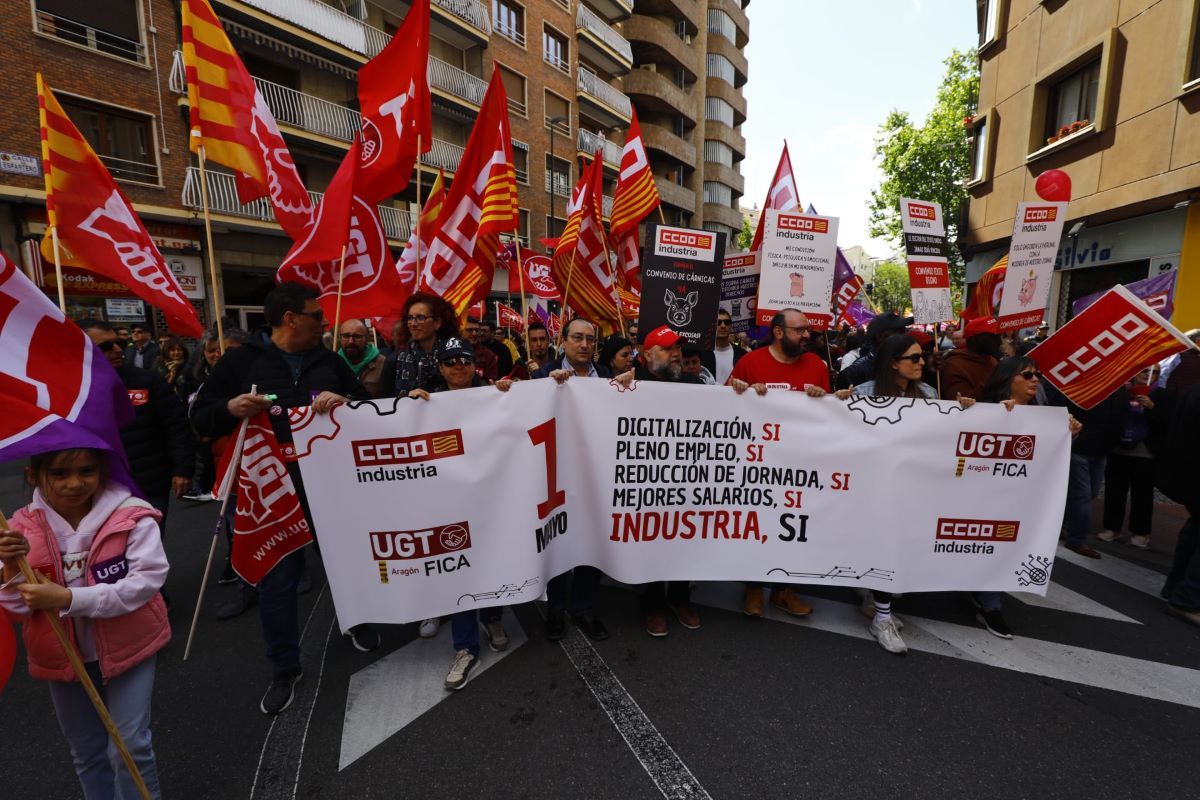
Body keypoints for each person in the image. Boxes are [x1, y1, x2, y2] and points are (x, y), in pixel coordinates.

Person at [191, 282, 377, 715]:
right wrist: (231, 408)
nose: (324, 324)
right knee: (278, 579)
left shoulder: (329, 360)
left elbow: (367, 407)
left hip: (330, 485)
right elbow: (200, 417)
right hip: (271, 489)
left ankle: (359, 622)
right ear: (291, 318)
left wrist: (346, 399)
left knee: (347, 561)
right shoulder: (240, 361)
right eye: (317, 316)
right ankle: (284, 667)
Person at [0, 447, 169, 799]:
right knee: (87, 751)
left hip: (130, 647)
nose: (75, 483)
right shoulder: (17, 530)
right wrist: (13, 570)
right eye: (60, 474)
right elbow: (15, 609)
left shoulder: (131, 517)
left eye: (87, 471)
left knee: (130, 747)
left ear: (103, 470)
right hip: (60, 657)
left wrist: (68, 599)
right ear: (34, 475)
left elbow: (146, 583)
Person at [408, 337, 515, 688]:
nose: (458, 366)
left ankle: (493, 618)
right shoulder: (425, 402)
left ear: (475, 364)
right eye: (450, 360)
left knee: (494, 560)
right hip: (449, 500)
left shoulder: (494, 394)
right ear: (440, 367)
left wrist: (508, 395)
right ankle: (465, 647)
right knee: (462, 568)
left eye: (464, 360)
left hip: (491, 496)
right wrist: (407, 406)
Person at [725, 309, 832, 620]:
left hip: (801, 464)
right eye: (800, 330)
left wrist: (821, 397)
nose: (807, 336)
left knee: (793, 528)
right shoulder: (750, 362)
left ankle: (784, 590)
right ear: (779, 332)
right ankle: (755, 587)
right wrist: (741, 393)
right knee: (758, 527)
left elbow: (829, 414)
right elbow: (724, 408)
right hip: (758, 464)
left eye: (808, 330)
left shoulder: (816, 365)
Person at [965, 357, 1082, 637]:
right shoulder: (986, 411)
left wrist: (1069, 435)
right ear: (1007, 380)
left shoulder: (1046, 418)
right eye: (1027, 374)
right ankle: (981, 596)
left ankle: (990, 604)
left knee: (1004, 545)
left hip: (1022, 500)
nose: (1035, 379)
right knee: (978, 544)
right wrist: (969, 411)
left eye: (1037, 374)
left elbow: (1050, 456)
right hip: (982, 497)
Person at [849, 335, 939, 654]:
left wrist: (964, 411)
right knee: (884, 546)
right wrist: (833, 402)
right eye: (913, 358)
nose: (921, 362)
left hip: (912, 488)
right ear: (892, 363)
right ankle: (882, 617)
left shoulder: (929, 394)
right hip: (873, 487)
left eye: (922, 357)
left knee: (899, 548)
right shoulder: (862, 394)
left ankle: (876, 603)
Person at [79, 320, 194, 535]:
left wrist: (182, 470)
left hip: (148, 483)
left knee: (148, 551)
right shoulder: (71, 389)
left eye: (120, 343)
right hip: (95, 488)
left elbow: (176, 426)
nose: (117, 350)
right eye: (105, 347)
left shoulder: (148, 381)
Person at [632, 326, 706, 636]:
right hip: (646, 480)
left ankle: (679, 598)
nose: (675, 353)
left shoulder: (693, 383)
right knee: (651, 538)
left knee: (681, 537)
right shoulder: (630, 384)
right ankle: (652, 605)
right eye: (666, 349)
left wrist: (741, 391)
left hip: (684, 478)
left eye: (678, 348)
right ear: (647, 356)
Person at [1044, 375, 1130, 559]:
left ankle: (1063, 527)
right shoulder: (1084, 384)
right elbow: (1065, 409)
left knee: (1088, 494)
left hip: (1101, 450)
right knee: (1082, 495)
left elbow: (1121, 415)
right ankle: (1077, 538)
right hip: (1080, 448)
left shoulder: (1119, 388)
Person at [1098, 368, 1157, 548]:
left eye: (1154, 372)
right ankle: (1111, 528)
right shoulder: (1122, 392)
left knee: (1143, 494)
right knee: (1114, 491)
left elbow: (1167, 421)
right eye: (1144, 371)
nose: (1148, 375)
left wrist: (1152, 408)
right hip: (1118, 450)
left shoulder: (1162, 395)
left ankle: (1141, 532)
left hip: (1145, 453)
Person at [1158, 378, 1200, 626]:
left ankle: (1176, 587)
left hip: (1188, 474)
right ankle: (1187, 598)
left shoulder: (1193, 388)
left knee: (1194, 530)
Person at [380, 292, 460, 398]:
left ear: (437, 323)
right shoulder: (394, 360)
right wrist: (407, 400)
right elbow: (384, 401)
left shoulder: (456, 355)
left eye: (420, 318)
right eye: (410, 318)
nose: (413, 324)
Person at [836, 312, 912, 390]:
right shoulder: (852, 375)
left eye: (905, 331)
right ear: (880, 336)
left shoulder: (909, 367)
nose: (905, 336)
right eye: (899, 332)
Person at [939, 316, 1002, 401]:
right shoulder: (955, 366)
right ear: (978, 340)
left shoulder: (992, 361)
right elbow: (959, 404)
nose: (1000, 342)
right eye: (995, 337)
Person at [337, 318, 388, 398]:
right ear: (340, 338)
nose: (351, 341)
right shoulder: (331, 364)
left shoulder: (383, 364)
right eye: (346, 336)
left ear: (367, 338)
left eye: (357, 336)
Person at [711, 308, 748, 384]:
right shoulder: (702, 353)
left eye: (727, 322)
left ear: (731, 326)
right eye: (718, 322)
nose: (723, 326)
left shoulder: (742, 354)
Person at [461, 317, 498, 381]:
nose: (474, 333)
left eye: (477, 330)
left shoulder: (488, 355)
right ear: (460, 331)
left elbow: (491, 382)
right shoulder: (450, 352)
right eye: (470, 330)